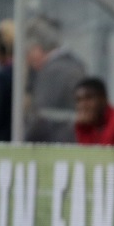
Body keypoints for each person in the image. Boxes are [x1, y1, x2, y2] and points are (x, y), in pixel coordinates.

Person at [24, 15, 86, 143]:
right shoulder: (74, 64)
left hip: (56, 145)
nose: (27, 59)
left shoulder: (52, 72)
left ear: (37, 49)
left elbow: (40, 117)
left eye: (27, 52)